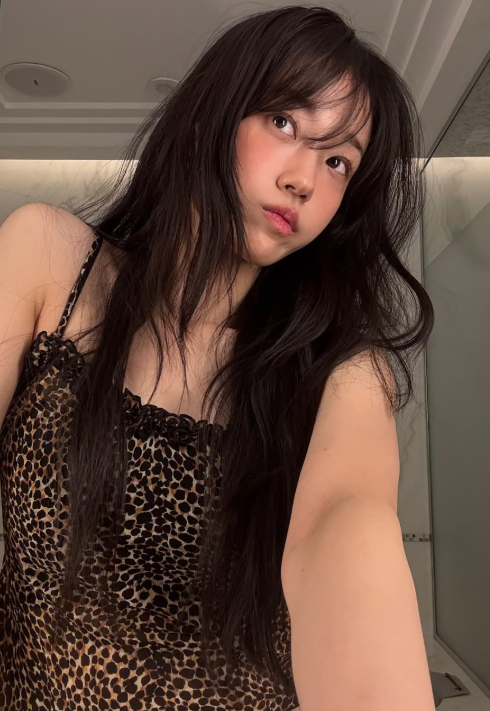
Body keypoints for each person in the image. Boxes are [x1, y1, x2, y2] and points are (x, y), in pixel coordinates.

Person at [0, 5, 436, 710]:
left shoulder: (343, 374)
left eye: (338, 162)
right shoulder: (49, 259)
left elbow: (349, 524)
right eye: (285, 122)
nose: (305, 178)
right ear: (214, 113)